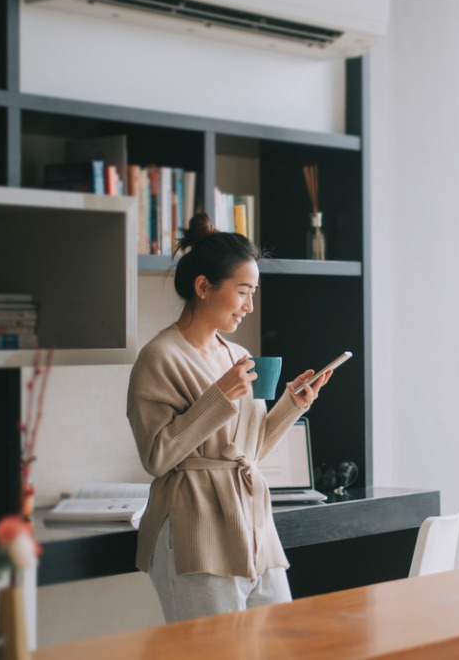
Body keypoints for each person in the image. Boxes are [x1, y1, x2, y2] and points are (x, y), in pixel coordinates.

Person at [126, 212, 332, 622]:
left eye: (253, 293)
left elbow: (247, 451)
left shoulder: (237, 356)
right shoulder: (159, 358)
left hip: (253, 525)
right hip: (195, 528)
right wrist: (218, 396)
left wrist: (293, 404)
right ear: (204, 287)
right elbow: (157, 457)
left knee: (279, 645)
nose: (249, 307)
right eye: (242, 292)